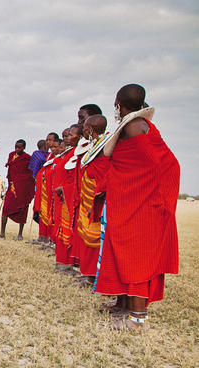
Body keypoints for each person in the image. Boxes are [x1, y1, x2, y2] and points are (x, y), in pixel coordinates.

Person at [95, 84, 180, 330]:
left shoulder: (135, 128)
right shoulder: (136, 127)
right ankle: (122, 303)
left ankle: (137, 318)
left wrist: (151, 195)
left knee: (136, 256)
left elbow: (156, 166)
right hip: (128, 200)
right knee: (120, 250)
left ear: (118, 105)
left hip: (142, 204)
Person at [76, 115, 109, 286]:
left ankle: (93, 275)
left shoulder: (105, 146)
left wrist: (96, 199)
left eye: (86, 127)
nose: (84, 129)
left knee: (94, 238)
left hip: (96, 198)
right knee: (86, 236)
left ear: (91, 129)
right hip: (87, 197)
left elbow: (104, 174)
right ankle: (87, 272)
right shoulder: (93, 146)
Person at [52, 126, 80, 271]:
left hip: (71, 196)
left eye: (69, 135)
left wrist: (65, 189)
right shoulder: (69, 152)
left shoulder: (77, 152)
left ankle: (71, 261)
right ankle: (64, 259)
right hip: (63, 197)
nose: (66, 138)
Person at [0, 139, 35, 240]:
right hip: (12, 187)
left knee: (22, 209)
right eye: (16, 147)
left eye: (19, 147)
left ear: (24, 148)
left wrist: (23, 184)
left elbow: (29, 173)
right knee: (5, 208)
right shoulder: (12, 155)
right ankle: (2, 233)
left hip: (22, 188)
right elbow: (11, 170)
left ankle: (20, 234)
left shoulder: (27, 158)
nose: (17, 149)